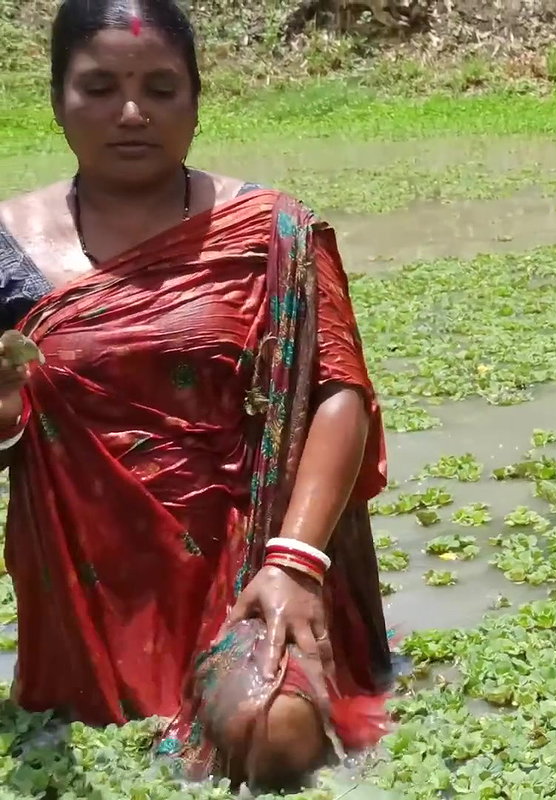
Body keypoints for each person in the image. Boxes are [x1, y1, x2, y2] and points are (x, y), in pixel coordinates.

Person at [0, 0, 394, 790]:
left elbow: (338, 394)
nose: (132, 112)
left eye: (160, 87)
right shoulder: (7, 248)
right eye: (99, 86)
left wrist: (294, 564)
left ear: (196, 98)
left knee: (272, 735)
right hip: (84, 593)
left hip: (251, 564)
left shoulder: (272, 231)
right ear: (57, 100)